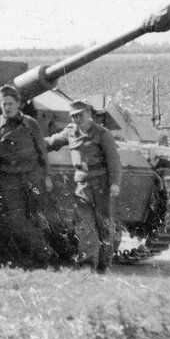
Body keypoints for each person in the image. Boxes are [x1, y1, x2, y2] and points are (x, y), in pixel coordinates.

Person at [0, 84, 57, 267]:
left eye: (10, 103)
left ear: (19, 104)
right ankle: (45, 253)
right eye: (3, 103)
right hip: (9, 178)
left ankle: (37, 257)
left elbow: (42, 151)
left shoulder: (30, 123)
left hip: (32, 176)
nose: (7, 107)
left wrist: (47, 176)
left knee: (38, 216)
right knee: (16, 220)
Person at [44, 100, 122, 272]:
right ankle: (87, 263)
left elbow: (114, 160)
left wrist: (115, 183)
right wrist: (33, 143)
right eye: (73, 116)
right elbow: (53, 141)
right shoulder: (70, 131)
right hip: (83, 185)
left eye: (80, 115)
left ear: (89, 114)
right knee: (84, 224)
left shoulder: (102, 133)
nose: (77, 119)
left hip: (101, 184)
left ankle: (104, 262)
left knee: (104, 225)